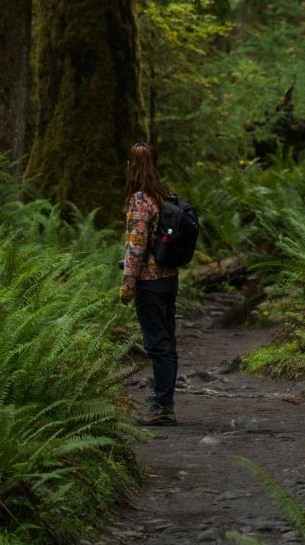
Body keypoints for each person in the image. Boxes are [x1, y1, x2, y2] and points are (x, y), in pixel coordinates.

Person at [120, 141, 179, 426]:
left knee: (157, 344)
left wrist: (127, 286)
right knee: (167, 341)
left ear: (131, 167)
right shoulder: (163, 196)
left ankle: (162, 406)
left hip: (149, 282)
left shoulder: (139, 200)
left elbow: (136, 246)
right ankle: (163, 399)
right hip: (169, 278)